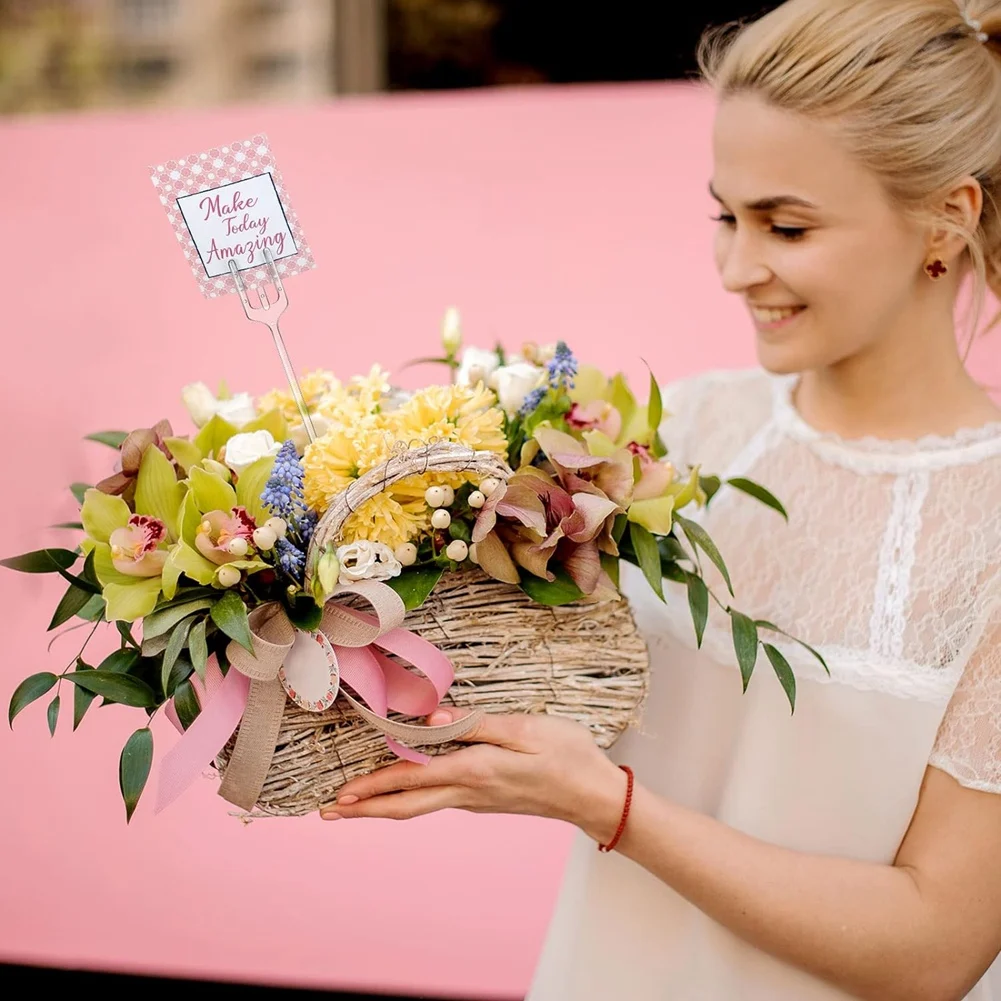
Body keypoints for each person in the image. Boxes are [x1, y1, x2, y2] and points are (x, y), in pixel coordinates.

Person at [319, 1, 1001, 997]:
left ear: (947, 218)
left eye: (786, 224)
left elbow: (933, 946)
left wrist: (609, 805)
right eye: (726, 215)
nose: (735, 268)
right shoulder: (673, 439)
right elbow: (540, 695)